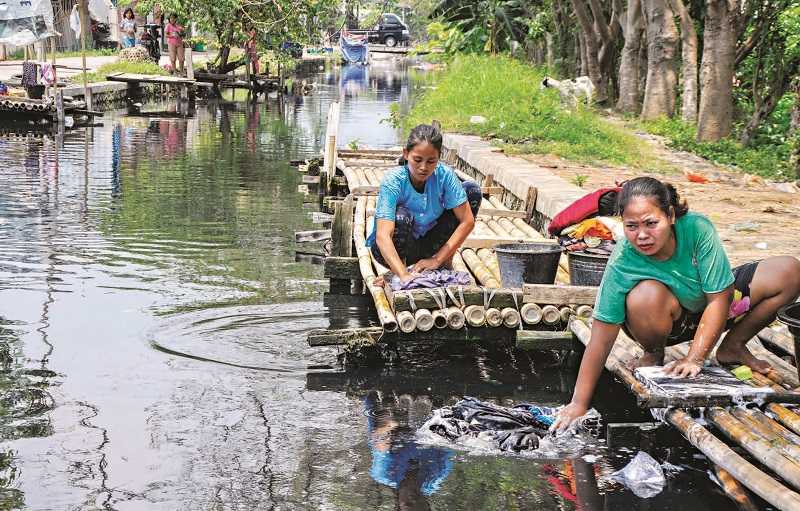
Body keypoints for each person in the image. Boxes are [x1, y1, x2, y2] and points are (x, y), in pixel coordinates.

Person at [553, 176, 800, 433]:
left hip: (716, 308)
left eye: (651, 223)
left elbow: (719, 298)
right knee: (645, 294)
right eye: (632, 226)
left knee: (790, 270)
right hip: (663, 321)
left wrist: (695, 358)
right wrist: (578, 404)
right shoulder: (622, 260)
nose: (642, 235)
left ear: (670, 215)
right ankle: (653, 352)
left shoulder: (697, 229)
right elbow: (601, 339)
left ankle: (733, 346)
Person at [367, 124, 481, 285]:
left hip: (431, 244)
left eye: (431, 161)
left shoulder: (446, 176)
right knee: (401, 216)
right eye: (418, 160)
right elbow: (383, 235)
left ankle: (443, 263)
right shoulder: (393, 181)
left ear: (439, 158)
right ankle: (399, 269)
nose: (423, 167)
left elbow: (467, 221)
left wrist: (436, 259)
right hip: (399, 246)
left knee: (472, 191)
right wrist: (403, 276)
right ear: (406, 154)